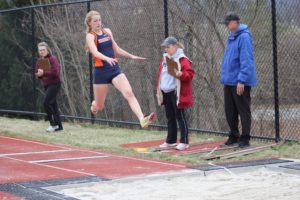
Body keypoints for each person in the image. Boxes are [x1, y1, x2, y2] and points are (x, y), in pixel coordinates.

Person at [85, 10, 156, 128]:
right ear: (90, 23)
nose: (98, 23)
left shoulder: (107, 32)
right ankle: (93, 106)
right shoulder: (90, 36)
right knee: (99, 106)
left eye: (99, 20)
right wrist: (107, 58)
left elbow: (117, 50)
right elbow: (95, 52)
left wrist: (132, 56)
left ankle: (142, 119)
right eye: (95, 21)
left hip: (114, 69)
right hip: (100, 72)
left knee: (128, 93)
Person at [220, 12, 257, 148]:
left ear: (235, 22)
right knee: (230, 111)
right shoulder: (231, 36)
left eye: (227, 23)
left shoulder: (244, 37)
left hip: (240, 82)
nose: (225, 26)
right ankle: (234, 136)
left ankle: (245, 138)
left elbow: (246, 60)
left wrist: (241, 80)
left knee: (243, 110)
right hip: (229, 81)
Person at [156, 36, 195, 151]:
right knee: (170, 117)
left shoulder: (182, 59)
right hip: (166, 92)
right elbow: (161, 74)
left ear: (175, 46)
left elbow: (190, 74)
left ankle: (184, 141)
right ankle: (171, 140)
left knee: (180, 116)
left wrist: (180, 74)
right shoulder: (165, 58)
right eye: (165, 47)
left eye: (168, 47)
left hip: (176, 93)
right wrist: (159, 89)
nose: (166, 49)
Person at [35, 42, 63, 132]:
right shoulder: (39, 61)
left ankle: (53, 124)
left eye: (43, 50)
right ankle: (59, 127)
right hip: (46, 85)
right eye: (40, 50)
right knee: (54, 105)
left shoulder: (52, 59)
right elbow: (38, 73)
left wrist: (44, 72)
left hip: (55, 83)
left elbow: (55, 73)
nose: (42, 51)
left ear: (47, 50)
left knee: (46, 103)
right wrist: (39, 74)